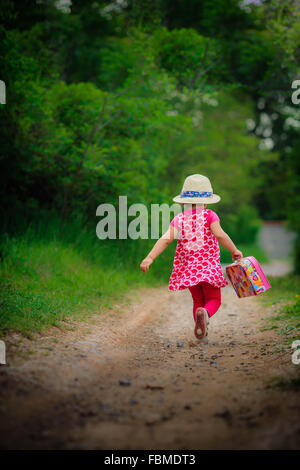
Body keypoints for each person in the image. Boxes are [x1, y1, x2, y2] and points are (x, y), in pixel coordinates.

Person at [140, 174, 243, 340]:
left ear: (184, 201)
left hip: (189, 270)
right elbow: (220, 235)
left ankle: (200, 323)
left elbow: (166, 239)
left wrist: (149, 257)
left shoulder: (179, 219)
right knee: (213, 299)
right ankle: (206, 314)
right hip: (209, 268)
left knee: (197, 300)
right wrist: (234, 249)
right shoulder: (210, 215)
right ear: (207, 200)